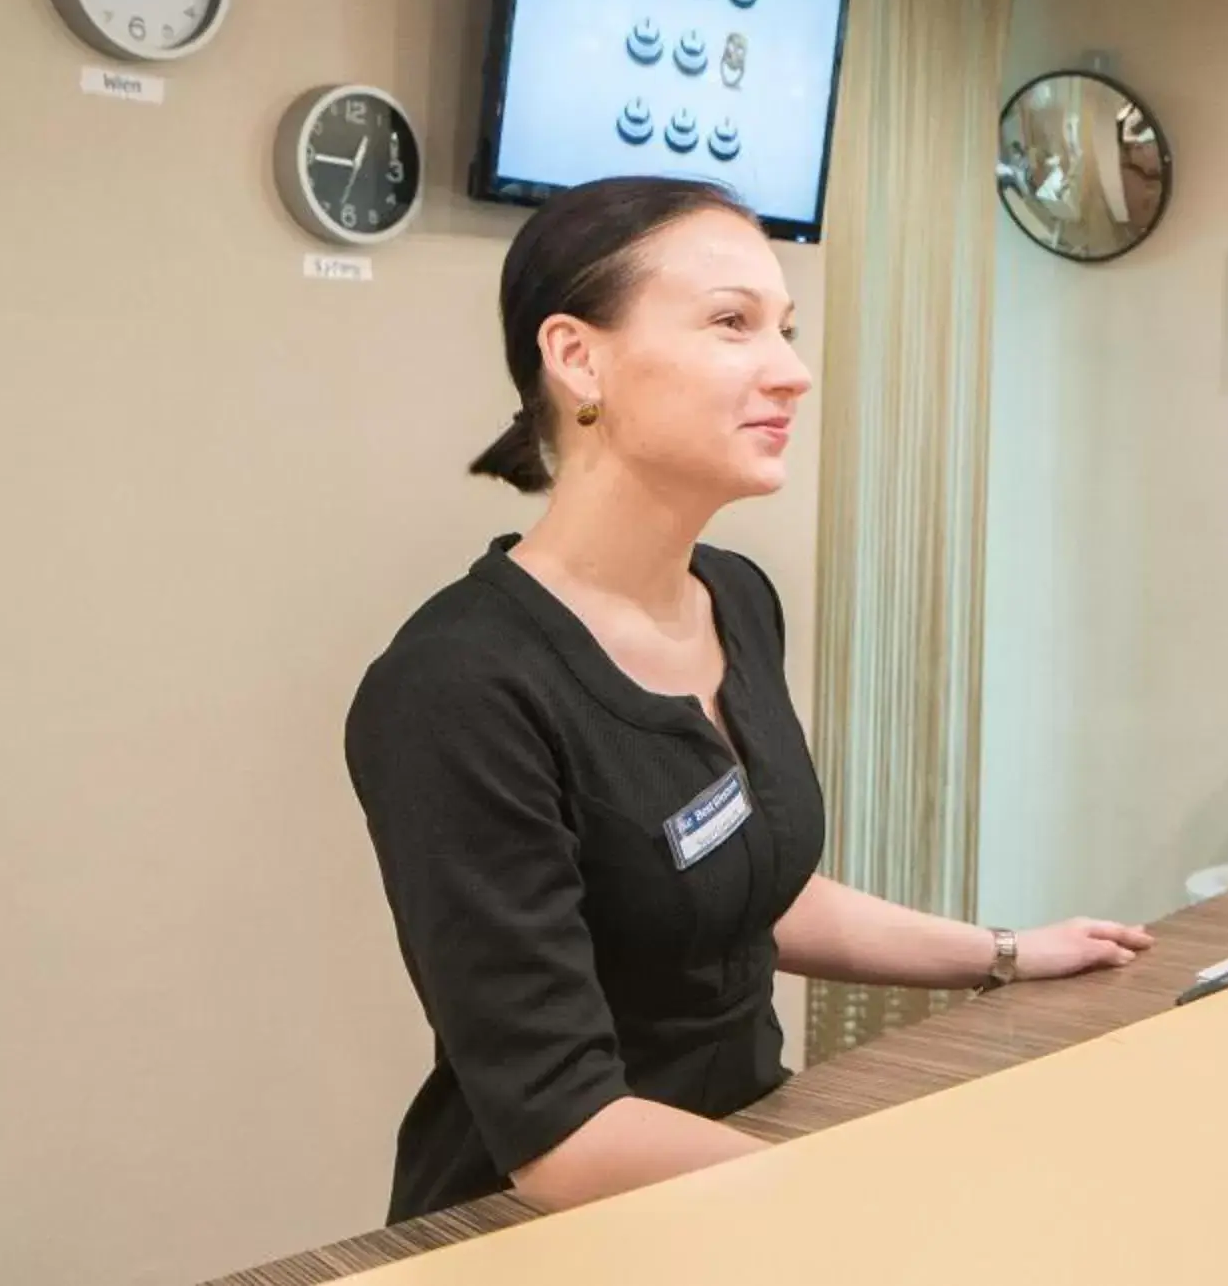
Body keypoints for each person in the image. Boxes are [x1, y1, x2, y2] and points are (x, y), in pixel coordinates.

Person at [346, 176, 1151, 1222]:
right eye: (733, 323)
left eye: (786, 326)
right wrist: (878, 1203)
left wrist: (1005, 953)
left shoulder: (735, 596)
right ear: (578, 356)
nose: (794, 371)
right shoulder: (458, 688)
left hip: (741, 1166)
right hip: (540, 1228)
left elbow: (744, 885)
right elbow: (562, 1134)